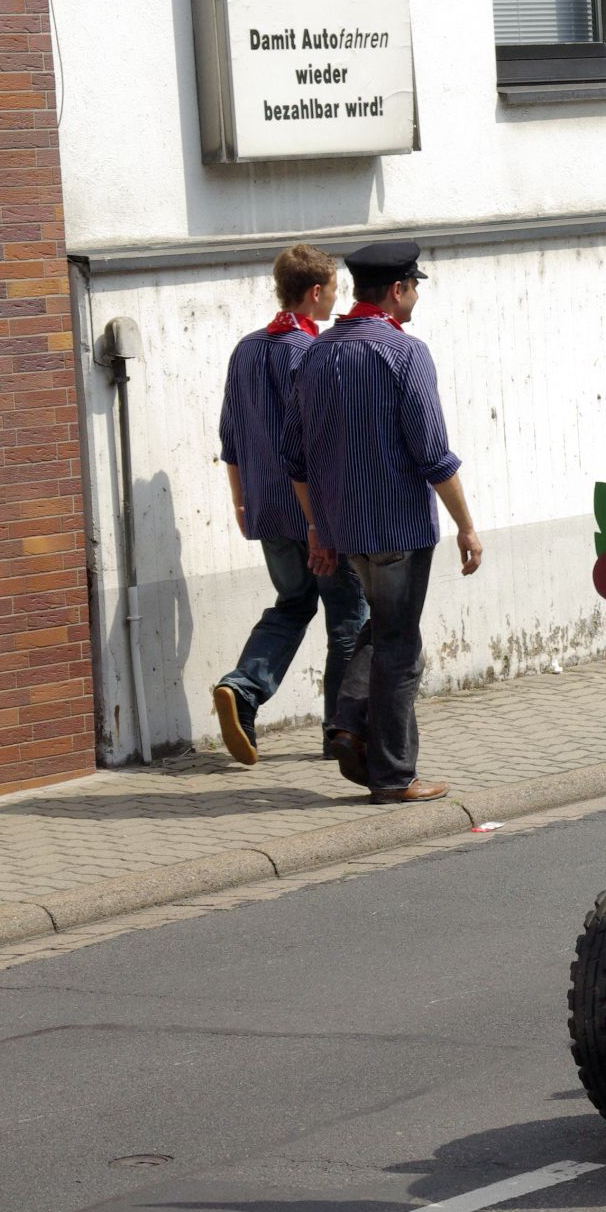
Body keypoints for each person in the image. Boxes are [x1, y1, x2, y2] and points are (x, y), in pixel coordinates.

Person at [281, 239, 484, 805]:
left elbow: (296, 458)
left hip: (346, 530)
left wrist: (318, 528)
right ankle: (394, 774)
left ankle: (347, 720)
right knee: (399, 645)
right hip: (398, 529)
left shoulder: (313, 355)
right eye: (414, 285)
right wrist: (467, 525)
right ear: (397, 291)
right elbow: (433, 454)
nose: (416, 295)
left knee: (381, 626)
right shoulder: (405, 354)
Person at [210, 243, 369, 767]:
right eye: (333, 291)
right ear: (316, 291)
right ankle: (342, 732)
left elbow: (230, 432)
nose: (335, 301)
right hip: (315, 512)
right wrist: (326, 520)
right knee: (348, 616)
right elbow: (321, 442)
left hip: (266, 507)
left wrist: (240, 501)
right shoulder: (315, 353)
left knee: (294, 604)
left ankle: (244, 687)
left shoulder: (246, 349)